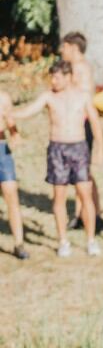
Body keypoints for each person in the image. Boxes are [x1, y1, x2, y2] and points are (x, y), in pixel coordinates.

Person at [13, 60, 103, 256]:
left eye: (57, 77)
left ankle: (91, 240)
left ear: (68, 77)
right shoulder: (49, 97)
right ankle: (63, 241)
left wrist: (99, 149)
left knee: (85, 194)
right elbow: (29, 111)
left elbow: (95, 123)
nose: (53, 81)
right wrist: (9, 113)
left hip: (78, 148)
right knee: (59, 196)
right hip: (57, 149)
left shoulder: (82, 97)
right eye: (51, 77)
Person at [57, 32, 103, 237]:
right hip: (75, 125)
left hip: (82, 125)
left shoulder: (80, 69)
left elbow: (83, 100)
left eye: (64, 47)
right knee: (80, 172)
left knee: (83, 172)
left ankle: (93, 216)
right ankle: (81, 214)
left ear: (72, 47)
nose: (61, 51)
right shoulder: (76, 68)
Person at [0, 86, 25, 258]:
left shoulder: (3, 97)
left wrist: (15, 135)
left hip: (1, 151)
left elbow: (11, 125)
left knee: (11, 194)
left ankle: (19, 243)